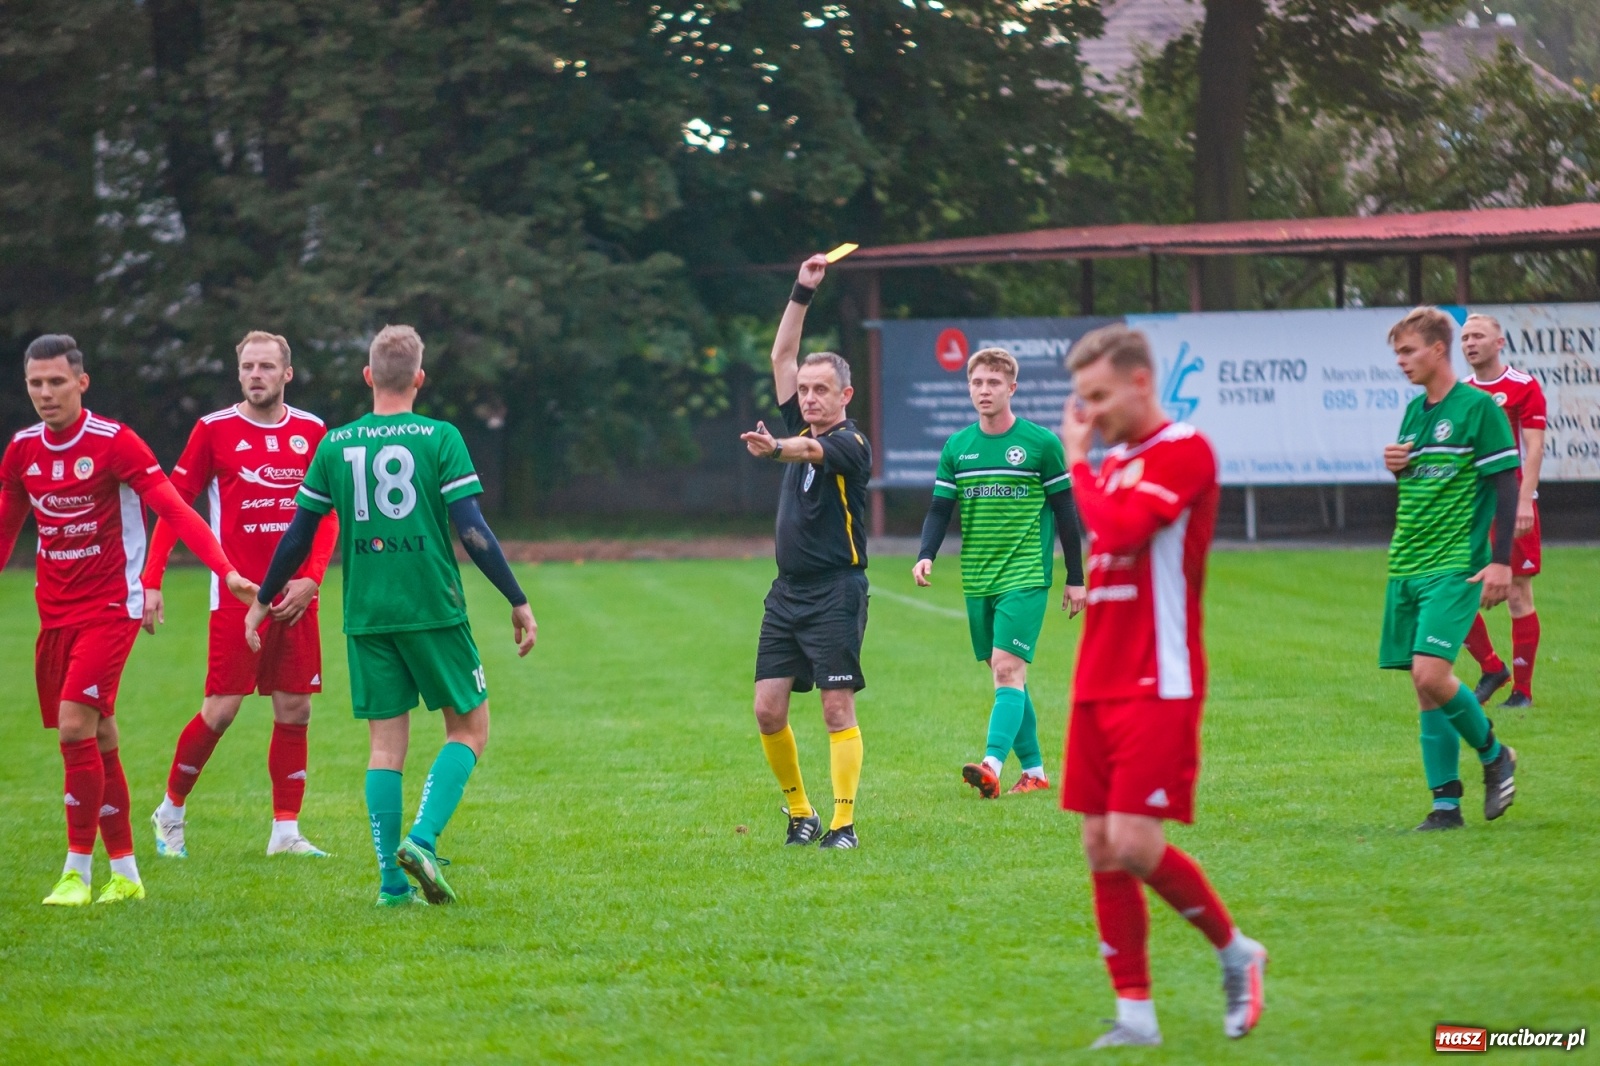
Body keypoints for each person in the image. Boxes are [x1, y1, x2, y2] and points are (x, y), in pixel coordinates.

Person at [245, 324, 536, 906]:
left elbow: (299, 534)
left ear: (368, 376)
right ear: (420, 379)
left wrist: (261, 601)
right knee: (470, 729)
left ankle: (390, 885)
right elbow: (472, 530)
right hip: (433, 607)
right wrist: (517, 599)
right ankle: (422, 840)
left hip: (367, 612)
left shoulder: (335, 444)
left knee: (385, 747)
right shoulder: (440, 438)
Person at [1059, 324, 1267, 1048]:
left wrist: (1076, 463)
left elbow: (1116, 531)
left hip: (1159, 678)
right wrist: (1091, 463)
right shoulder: (1112, 461)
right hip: (1097, 678)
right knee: (1098, 844)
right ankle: (1136, 1017)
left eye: (1098, 396)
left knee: (1135, 841)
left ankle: (1236, 951)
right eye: (1080, 400)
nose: (1087, 414)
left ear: (1141, 382)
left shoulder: (1185, 451)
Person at [0, 334, 255, 906]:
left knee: (73, 726)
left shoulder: (115, 443)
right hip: (54, 614)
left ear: (81, 383)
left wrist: (226, 570)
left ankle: (76, 873)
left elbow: (174, 508)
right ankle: (126, 875)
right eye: (35, 384)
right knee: (99, 734)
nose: (45, 393)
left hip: (113, 607)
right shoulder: (21, 451)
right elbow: (5, 528)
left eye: (56, 382)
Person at [144, 331, 340, 859]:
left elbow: (328, 514)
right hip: (235, 594)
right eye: (248, 367)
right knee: (221, 710)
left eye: (266, 367)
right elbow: (175, 504)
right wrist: (152, 579)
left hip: (296, 597)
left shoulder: (312, 431)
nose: (256, 375)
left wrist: (313, 578)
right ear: (239, 375)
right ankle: (170, 813)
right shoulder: (213, 430)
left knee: (295, 709)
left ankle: (285, 832)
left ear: (287, 374)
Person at [739, 253, 871, 850]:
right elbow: (781, 357)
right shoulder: (804, 425)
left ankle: (843, 824)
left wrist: (775, 450)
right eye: (807, 390)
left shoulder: (848, 443)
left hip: (836, 591)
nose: (810, 397)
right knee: (768, 708)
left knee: (836, 709)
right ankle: (801, 814)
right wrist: (802, 289)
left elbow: (808, 453)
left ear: (845, 394)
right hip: (787, 593)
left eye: (822, 390)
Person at [912, 346, 1085, 798]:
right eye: (976, 382)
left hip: (1026, 574)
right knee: (1007, 675)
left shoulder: (1040, 444)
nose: (984, 390)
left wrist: (1076, 576)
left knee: (1008, 672)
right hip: (978, 578)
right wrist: (925, 552)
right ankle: (1036, 771)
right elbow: (939, 508)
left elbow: (1066, 512)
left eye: (993, 382)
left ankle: (991, 764)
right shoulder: (958, 447)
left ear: (1012, 388)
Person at [1380, 307, 1520, 832]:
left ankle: (1494, 753)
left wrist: (1501, 561)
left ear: (1438, 350)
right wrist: (1397, 468)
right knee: (1424, 688)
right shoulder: (1415, 413)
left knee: (1430, 673)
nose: (1401, 362)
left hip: (1455, 564)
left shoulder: (1478, 408)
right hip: (1408, 563)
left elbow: (1505, 484)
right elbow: (1418, 488)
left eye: (1408, 351)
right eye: (1397, 353)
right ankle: (1445, 806)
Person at [1459, 313, 1546, 709]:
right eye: (1464, 337)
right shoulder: (1461, 392)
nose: (1470, 343)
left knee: (1516, 594)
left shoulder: (1523, 387)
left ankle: (1522, 692)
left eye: (1478, 336)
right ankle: (1492, 667)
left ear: (1500, 342)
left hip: (1511, 504)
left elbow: (1534, 448)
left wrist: (1525, 500)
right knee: (1451, 589)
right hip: (1470, 508)